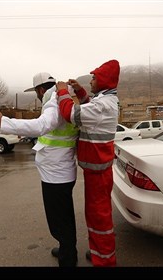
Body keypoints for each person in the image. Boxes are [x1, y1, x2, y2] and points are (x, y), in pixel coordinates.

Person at [0, 73, 79, 267]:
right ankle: (66, 249)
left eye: (37, 93)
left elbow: (42, 125)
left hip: (57, 174)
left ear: (40, 90)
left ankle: (68, 259)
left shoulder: (54, 101)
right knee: (63, 218)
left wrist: (4, 121)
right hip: (59, 170)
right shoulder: (63, 98)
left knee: (60, 222)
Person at [56, 60, 120, 267]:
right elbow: (89, 106)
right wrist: (79, 90)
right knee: (94, 216)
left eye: (94, 78)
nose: (91, 80)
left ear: (102, 81)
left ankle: (105, 261)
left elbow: (72, 114)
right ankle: (98, 253)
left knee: (100, 218)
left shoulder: (103, 105)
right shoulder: (103, 100)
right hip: (96, 170)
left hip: (99, 173)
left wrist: (63, 92)